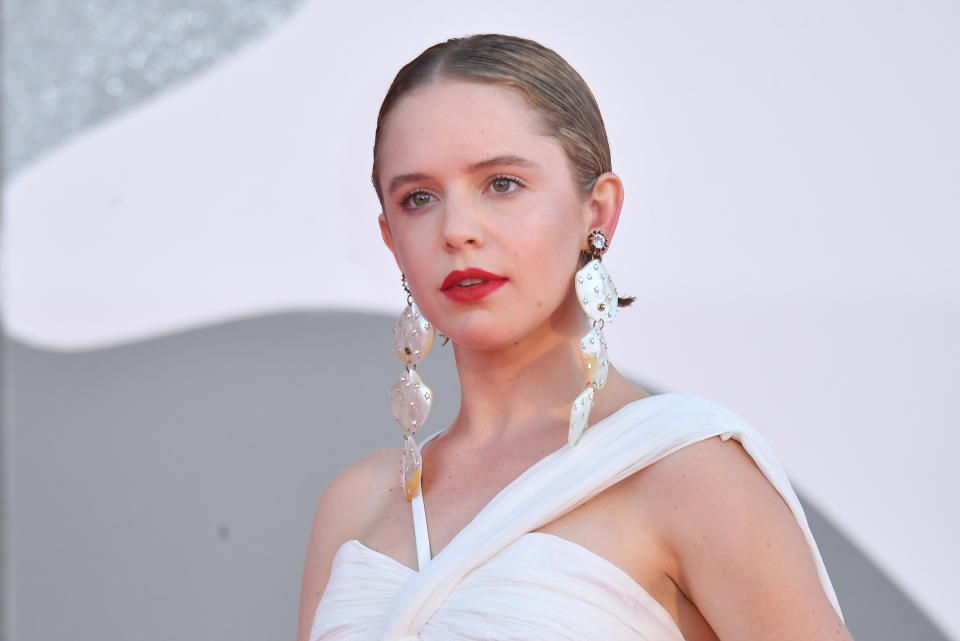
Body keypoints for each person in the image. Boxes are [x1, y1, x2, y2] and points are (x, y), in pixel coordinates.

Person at [297, 34, 853, 641]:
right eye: (419, 198)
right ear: (390, 238)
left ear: (598, 210)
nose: (457, 230)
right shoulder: (357, 505)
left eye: (502, 184)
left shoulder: (687, 473)